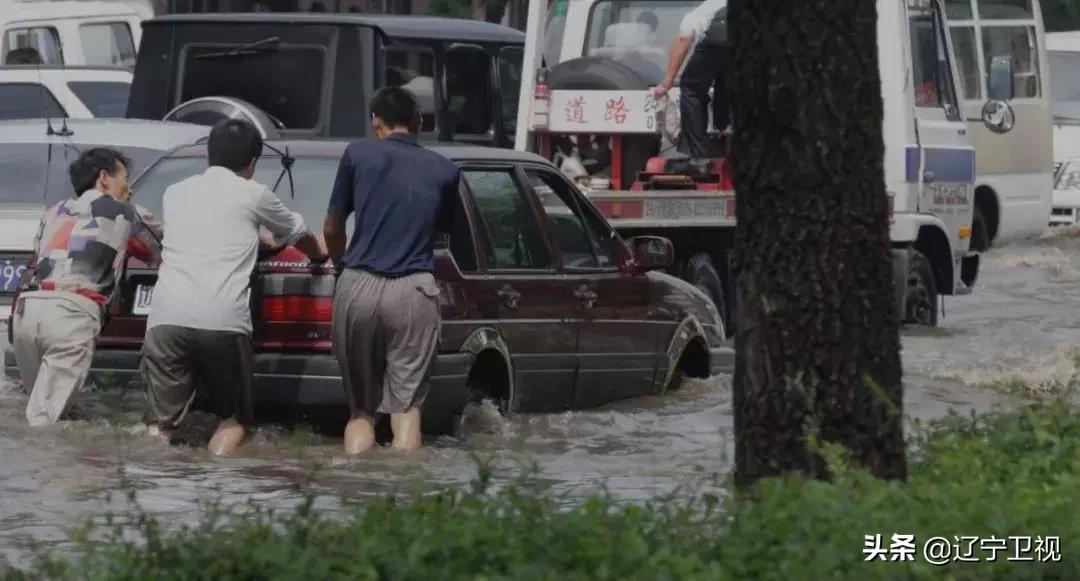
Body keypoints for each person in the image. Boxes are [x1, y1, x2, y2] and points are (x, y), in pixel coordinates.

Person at [141, 119, 328, 456]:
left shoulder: (174, 192)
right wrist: (321, 252)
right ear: (253, 163)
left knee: (163, 425)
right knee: (234, 420)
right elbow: (300, 236)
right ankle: (221, 493)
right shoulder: (254, 193)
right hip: (222, 322)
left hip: (165, 319)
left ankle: (155, 492)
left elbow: (211, 225)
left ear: (208, 156)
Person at [324, 87, 460, 455]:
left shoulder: (357, 154)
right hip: (414, 291)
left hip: (359, 283)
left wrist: (341, 265)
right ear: (419, 124)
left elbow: (333, 227)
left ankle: (356, 484)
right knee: (406, 408)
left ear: (375, 121)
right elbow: (442, 232)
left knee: (361, 411)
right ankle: (403, 493)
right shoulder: (445, 169)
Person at [13, 148, 163, 427]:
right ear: (104, 178)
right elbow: (162, 251)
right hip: (71, 314)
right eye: (125, 178)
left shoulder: (52, 212)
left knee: (40, 409)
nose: (128, 187)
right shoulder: (127, 212)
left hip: (28, 311)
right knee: (45, 421)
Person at [653, 0, 730, 159]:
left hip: (712, 50)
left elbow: (683, 39)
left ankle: (699, 153)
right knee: (726, 87)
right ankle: (725, 131)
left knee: (692, 91)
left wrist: (668, 81)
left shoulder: (703, 10)